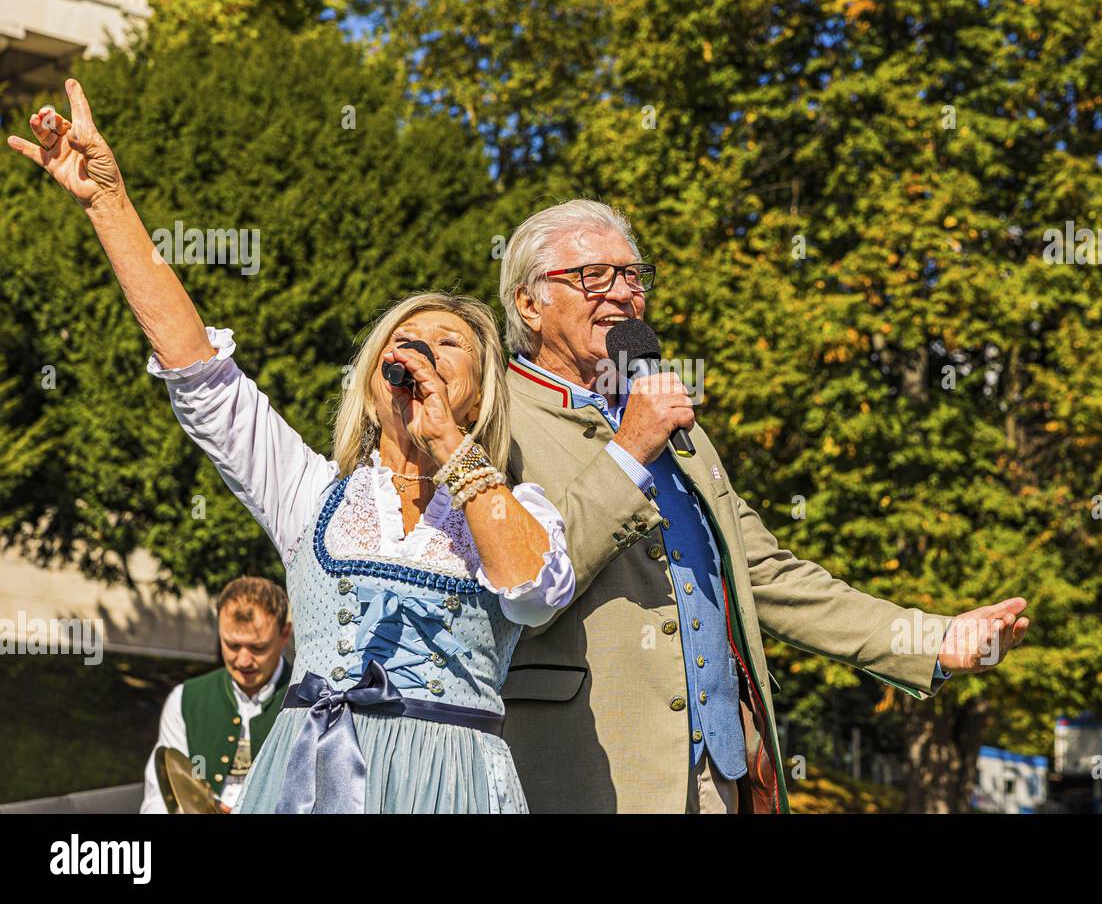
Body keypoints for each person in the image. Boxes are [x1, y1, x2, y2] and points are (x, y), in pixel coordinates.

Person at [8, 79, 576, 813]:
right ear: (374, 376)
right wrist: (107, 205)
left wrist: (449, 445)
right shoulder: (314, 493)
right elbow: (201, 374)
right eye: (403, 341)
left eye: (447, 344)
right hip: (309, 778)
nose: (421, 352)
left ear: (483, 389)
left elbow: (532, 596)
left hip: (452, 786)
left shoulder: (515, 504)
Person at [497, 199, 1032, 813]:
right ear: (529, 303)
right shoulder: (496, 421)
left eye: (634, 275)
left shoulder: (668, 422)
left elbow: (768, 575)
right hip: (585, 778)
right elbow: (525, 582)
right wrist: (628, 452)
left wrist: (932, 640)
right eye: (594, 275)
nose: (622, 293)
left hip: (720, 778)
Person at [141, 576, 292, 813]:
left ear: (284, 634)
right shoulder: (185, 699)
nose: (243, 660)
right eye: (232, 645)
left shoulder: (310, 701)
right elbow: (160, 797)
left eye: (258, 647)